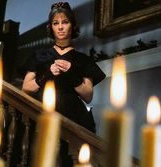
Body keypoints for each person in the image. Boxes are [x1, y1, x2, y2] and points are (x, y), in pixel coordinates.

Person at [22, 2, 105, 165]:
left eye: (65, 22)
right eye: (55, 23)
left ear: (72, 26)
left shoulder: (83, 60)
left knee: (68, 160)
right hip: (42, 109)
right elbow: (25, 88)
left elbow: (88, 96)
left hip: (73, 114)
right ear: (51, 27)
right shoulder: (39, 55)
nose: (60, 27)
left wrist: (72, 75)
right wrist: (45, 75)